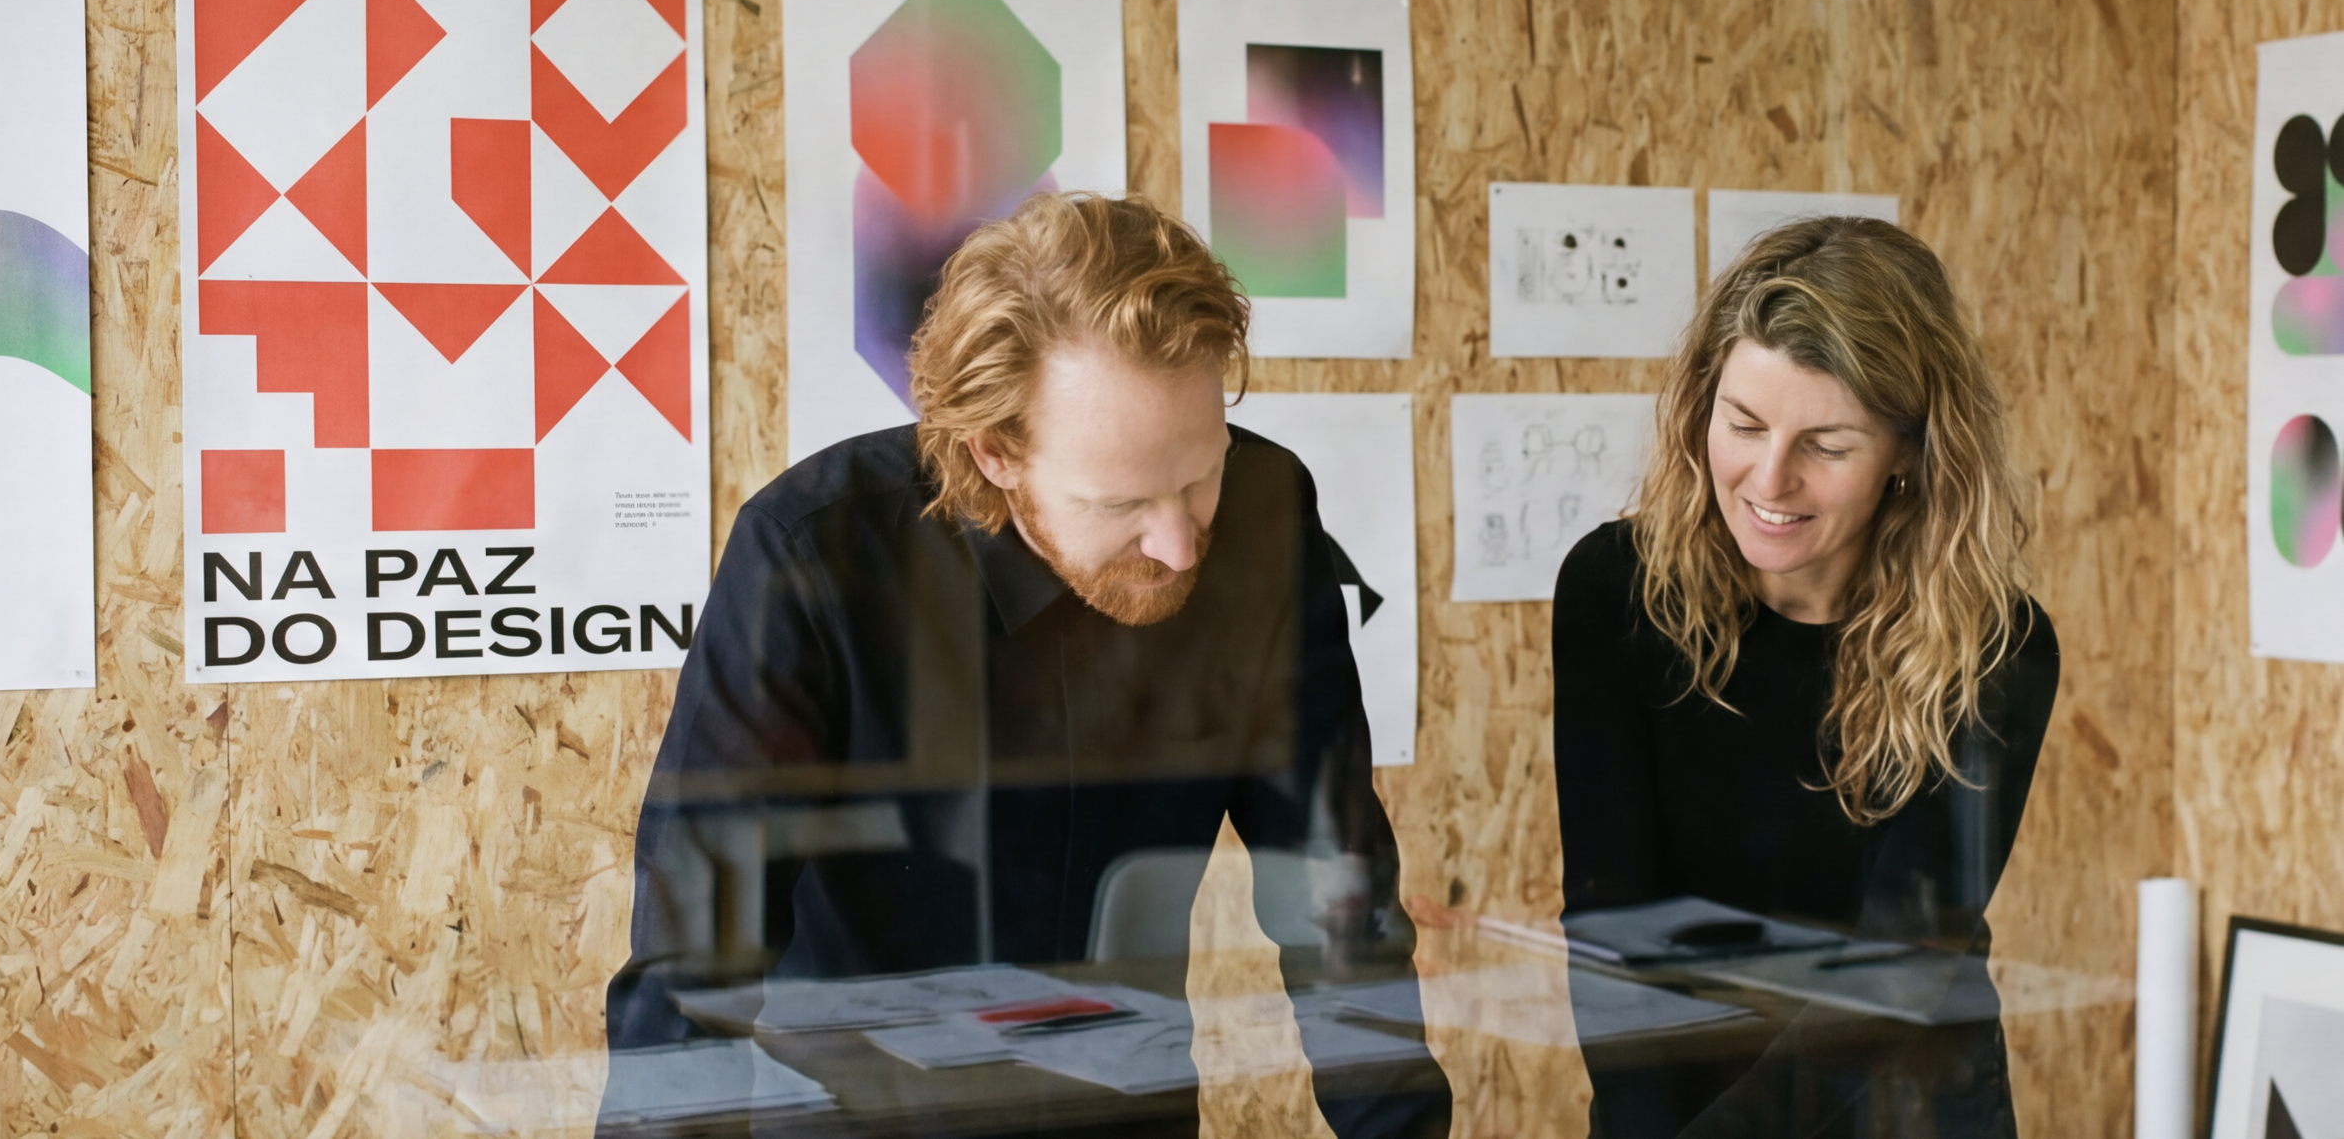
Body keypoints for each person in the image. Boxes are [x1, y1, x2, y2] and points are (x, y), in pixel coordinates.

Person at [603, 191, 1450, 1137]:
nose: (1177, 544)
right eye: (1120, 502)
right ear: (996, 452)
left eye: (1200, 474)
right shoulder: (814, 555)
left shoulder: (1263, 514)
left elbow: (1336, 901)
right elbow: (689, 970)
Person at [1552, 217, 2059, 1136]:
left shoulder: (1996, 647)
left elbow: (1892, 969)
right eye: (1743, 424)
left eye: (1826, 445)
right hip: (1676, 1102)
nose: (1768, 480)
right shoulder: (1614, 591)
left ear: (1910, 452)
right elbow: (1609, 921)